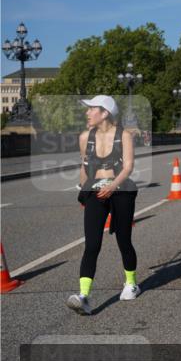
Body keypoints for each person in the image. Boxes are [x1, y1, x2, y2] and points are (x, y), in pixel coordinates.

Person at [68, 95, 140, 314]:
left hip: (121, 191)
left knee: (124, 240)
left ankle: (131, 283)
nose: (87, 113)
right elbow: (85, 165)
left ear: (105, 113)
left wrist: (112, 186)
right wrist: (83, 190)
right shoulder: (84, 137)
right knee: (92, 244)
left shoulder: (124, 136)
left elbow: (128, 167)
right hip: (95, 192)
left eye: (92, 109)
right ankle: (84, 295)